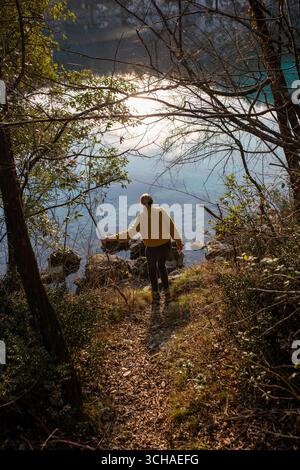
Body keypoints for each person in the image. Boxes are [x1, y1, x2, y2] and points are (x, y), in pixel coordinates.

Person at [101, 193, 183, 303]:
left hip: (152, 248)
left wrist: (109, 238)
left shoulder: (141, 217)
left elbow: (128, 234)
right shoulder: (161, 211)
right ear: (152, 202)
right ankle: (167, 292)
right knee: (162, 266)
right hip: (165, 246)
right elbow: (172, 227)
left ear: (141, 204)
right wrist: (178, 242)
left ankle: (155, 295)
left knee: (152, 269)